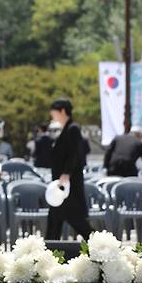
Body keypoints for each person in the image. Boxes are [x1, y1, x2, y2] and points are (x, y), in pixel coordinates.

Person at [45, 98, 94, 240]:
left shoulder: (73, 128)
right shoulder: (66, 129)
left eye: (54, 112)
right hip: (61, 187)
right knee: (55, 222)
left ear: (62, 111)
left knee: (78, 223)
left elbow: (75, 153)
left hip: (67, 185)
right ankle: (48, 253)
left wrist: (66, 173)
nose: (52, 116)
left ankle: (102, 247)